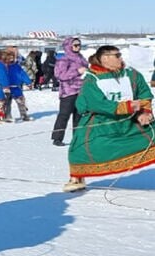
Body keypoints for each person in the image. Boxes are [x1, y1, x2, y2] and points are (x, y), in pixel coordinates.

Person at [63, 45, 154, 192]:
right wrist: (127, 106)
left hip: (130, 121)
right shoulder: (92, 79)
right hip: (101, 122)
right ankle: (77, 178)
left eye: (120, 55)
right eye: (117, 55)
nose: (120, 58)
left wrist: (145, 112)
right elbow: (96, 103)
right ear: (105, 58)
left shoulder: (131, 74)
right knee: (79, 148)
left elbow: (144, 93)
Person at [52, 37, 88, 145]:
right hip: (68, 92)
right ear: (69, 46)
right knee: (64, 115)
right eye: (75, 45)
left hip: (81, 91)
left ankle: (77, 139)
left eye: (79, 45)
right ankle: (57, 138)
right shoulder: (64, 59)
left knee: (79, 116)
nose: (78, 47)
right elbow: (60, 75)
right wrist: (77, 71)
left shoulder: (81, 58)